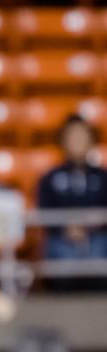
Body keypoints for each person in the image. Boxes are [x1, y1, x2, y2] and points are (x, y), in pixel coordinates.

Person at [38, 114, 107, 291]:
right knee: (61, 251)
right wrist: (66, 228)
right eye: (72, 135)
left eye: (82, 135)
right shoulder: (49, 178)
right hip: (62, 238)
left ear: (91, 139)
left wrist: (89, 227)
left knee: (99, 249)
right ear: (63, 140)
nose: (77, 140)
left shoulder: (102, 177)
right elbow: (44, 213)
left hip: (96, 237)